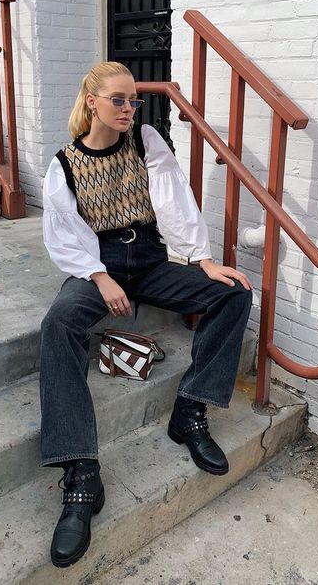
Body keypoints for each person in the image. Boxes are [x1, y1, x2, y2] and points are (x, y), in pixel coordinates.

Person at [41, 61, 253, 568]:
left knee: (233, 293)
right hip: (99, 263)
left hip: (151, 260)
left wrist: (202, 259)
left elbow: (175, 202)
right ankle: (81, 473)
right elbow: (63, 235)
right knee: (59, 323)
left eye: (132, 100)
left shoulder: (146, 141)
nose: (128, 109)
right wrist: (98, 276)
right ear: (92, 101)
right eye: (117, 100)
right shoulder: (64, 163)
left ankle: (190, 411)